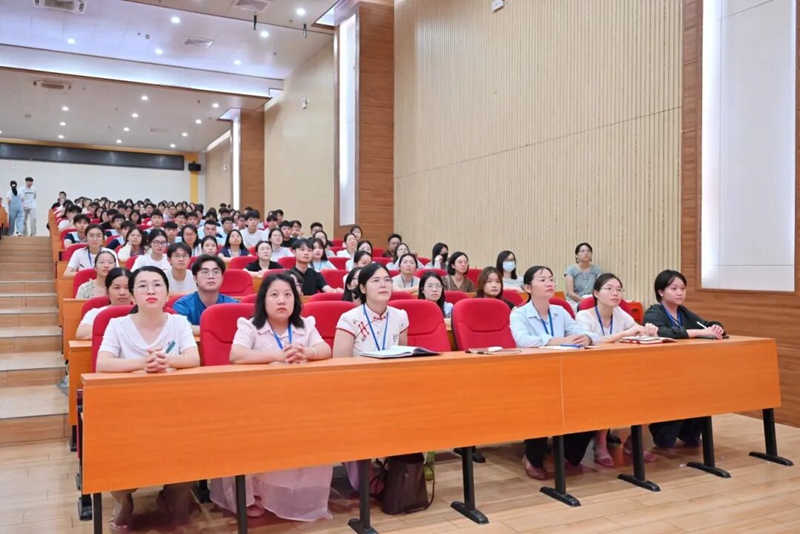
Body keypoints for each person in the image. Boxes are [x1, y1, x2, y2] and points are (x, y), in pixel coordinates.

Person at [211, 272, 333, 520]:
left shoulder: (305, 325)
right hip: (258, 401)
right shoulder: (250, 326)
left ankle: (294, 495)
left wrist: (307, 352)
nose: (281, 300)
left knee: (318, 424)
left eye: (288, 295)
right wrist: (279, 356)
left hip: (298, 399)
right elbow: (237, 355)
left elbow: (325, 349)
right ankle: (253, 494)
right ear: (263, 300)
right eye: (274, 295)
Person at [96, 266, 199, 532]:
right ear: (132, 295)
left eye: (157, 285)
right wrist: (144, 363)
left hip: (173, 404)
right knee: (117, 447)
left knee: (193, 437)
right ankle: (123, 500)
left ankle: (176, 494)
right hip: (129, 407)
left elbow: (193, 358)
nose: (150, 290)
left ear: (167, 294)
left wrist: (168, 361)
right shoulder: (117, 325)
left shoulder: (179, 322)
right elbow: (102, 364)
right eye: (142, 285)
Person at [510, 265, 599, 480]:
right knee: (542, 403)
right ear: (528, 287)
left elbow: (587, 334)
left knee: (590, 402)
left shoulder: (560, 311)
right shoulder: (519, 314)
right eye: (542, 280)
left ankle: (568, 455)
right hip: (532, 375)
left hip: (564, 372)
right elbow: (523, 340)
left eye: (551, 279)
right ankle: (532, 458)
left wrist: (587, 338)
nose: (549, 283)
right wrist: (558, 340)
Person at [575, 273, 659, 466]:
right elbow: (588, 340)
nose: (615, 293)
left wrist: (648, 330)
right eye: (609, 289)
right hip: (590, 372)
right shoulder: (583, 316)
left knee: (649, 389)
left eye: (619, 289)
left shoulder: (621, 314)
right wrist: (625, 333)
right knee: (608, 391)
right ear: (596, 293)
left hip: (620, 370)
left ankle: (633, 441)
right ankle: (600, 444)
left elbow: (637, 330)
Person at [643, 269, 725, 449]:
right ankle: (661, 430)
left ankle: (689, 433)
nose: (680, 292)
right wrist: (698, 332)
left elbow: (707, 324)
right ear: (661, 291)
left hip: (686, 370)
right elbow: (662, 332)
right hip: (662, 372)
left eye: (682, 288)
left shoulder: (683, 312)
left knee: (703, 390)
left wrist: (717, 327)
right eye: (674, 288)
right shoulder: (653, 312)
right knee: (667, 440)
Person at [333, 263, 409, 358]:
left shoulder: (400, 316)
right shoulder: (349, 319)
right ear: (363, 288)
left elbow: (402, 358)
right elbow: (340, 363)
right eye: (376, 280)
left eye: (387, 280)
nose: (383, 284)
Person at [173, 255, 238, 335]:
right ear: (195, 278)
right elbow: (182, 328)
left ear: (222, 278)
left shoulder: (233, 305)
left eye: (215, 272)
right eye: (205, 272)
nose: (211, 276)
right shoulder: (183, 305)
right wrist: (219, 330)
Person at [76, 268, 133, 339]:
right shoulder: (96, 312)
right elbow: (82, 333)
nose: (122, 293)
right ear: (107, 291)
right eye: (116, 288)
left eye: (127, 288)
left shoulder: (142, 312)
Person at [565, 242, 603, 310]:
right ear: (576, 255)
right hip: (574, 301)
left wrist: (592, 301)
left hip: (592, 300)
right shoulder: (571, 270)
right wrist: (585, 301)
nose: (586, 253)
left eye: (588, 251)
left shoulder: (597, 270)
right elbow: (571, 293)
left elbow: (600, 289)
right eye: (582, 251)